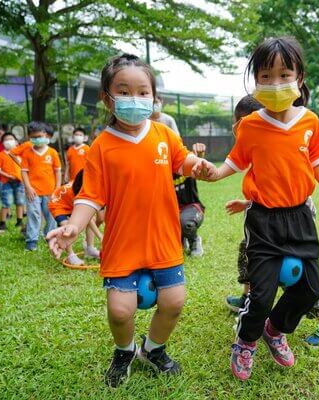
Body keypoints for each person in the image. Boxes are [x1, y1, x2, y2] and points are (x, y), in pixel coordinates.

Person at [46, 54, 214, 387]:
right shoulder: (101, 147)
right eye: (123, 91)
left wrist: (199, 165)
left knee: (174, 302)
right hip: (122, 244)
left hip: (164, 239)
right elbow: (89, 197)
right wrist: (73, 227)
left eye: (142, 91)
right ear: (107, 98)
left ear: (154, 98)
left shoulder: (164, 134)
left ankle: (153, 349)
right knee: (121, 311)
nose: (133, 99)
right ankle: (124, 351)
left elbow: (183, 162)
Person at [195, 37, 319, 381]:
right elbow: (233, 164)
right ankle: (246, 341)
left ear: (299, 77)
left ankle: (275, 330)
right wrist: (212, 172)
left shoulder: (310, 122)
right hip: (263, 219)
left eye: (284, 74)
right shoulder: (250, 125)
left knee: (310, 289)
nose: (275, 83)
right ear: (255, 79)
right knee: (261, 294)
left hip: (300, 216)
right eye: (265, 76)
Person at [224, 95, 319, 348]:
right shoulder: (260, 144)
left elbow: (287, 188)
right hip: (266, 220)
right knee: (251, 260)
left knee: (297, 276)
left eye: (237, 124)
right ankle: (250, 300)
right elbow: (269, 189)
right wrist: (246, 203)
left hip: (292, 223)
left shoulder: (288, 130)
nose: (237, 131)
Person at [152, 97, 206, 256]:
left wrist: (200, 155)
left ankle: (194, 239)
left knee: (185, 223)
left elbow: (198, 164)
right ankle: (180, 238)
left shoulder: (184, 159)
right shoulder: (156, 165)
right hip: (168, 210)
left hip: (190, 207)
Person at [21, 121, 61, 251]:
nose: (37, 139)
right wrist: (28, 187)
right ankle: (31, 240)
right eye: (34, 137)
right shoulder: (27, 153)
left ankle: (50, 235)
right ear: (29, 137)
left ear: (45, 135)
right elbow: (24, 172)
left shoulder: (53, 152)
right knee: (33, 214)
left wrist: (58, 187)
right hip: (33, 191)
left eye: (39, 136)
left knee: (51, 215)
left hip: (51, 191)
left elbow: (58, 171)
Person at [48, 170, 101, 266]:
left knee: (91, 218)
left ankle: (90, 249)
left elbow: (88, 218)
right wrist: (101, 237)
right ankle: (70, 255)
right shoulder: (78, 193)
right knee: (67, 227)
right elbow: (87, 220)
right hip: (57, 205)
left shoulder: (82, 190)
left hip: (68, 203)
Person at [0, 133, 25, 231]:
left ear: (16, 141)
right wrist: (8, 176)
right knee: (6, 202)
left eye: (11, 139)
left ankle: (19, 221)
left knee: (20, 201)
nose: (9, 141)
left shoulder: (21, 153)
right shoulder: (0, 155)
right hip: (6, 182)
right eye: (6, 140)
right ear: (2, 143)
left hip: (20, 181)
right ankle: (2, 223)